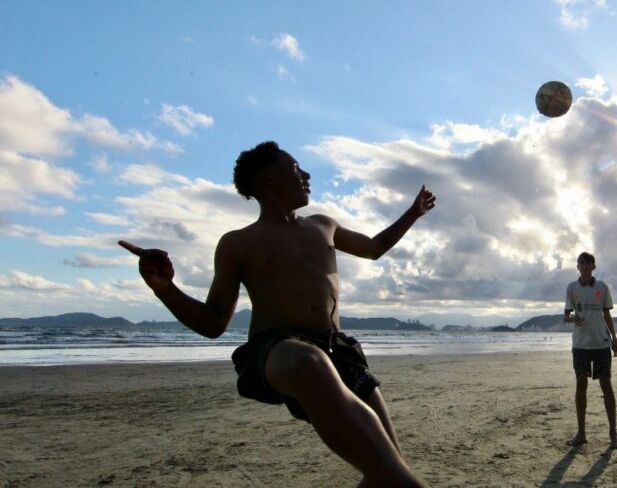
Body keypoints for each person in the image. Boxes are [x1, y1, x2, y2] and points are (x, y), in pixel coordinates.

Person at [120, 141, 434, 487]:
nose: (308, 175)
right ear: (269, 179)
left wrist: (413, 213)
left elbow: (374, 249)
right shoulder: (238, 243)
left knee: (385, 469)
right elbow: (212, 323)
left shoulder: (323, 225)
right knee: (310, 363)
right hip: (276, 350)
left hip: (338, 351)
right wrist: (165, 289)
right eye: (298, 168)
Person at [562, 252, 617, 449]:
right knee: (581, 385)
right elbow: (566, 315)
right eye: (581, 264)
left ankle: (613, 433)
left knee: (607, 386)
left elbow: (606, 314)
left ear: (593, 267)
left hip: (601, 343)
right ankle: (581, 433)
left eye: (588, 264)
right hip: (580, 344)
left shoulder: (602, 287)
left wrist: (615, 339)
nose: (585, 267)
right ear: (577, 266)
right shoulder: (572, 288)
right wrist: (573, 319)